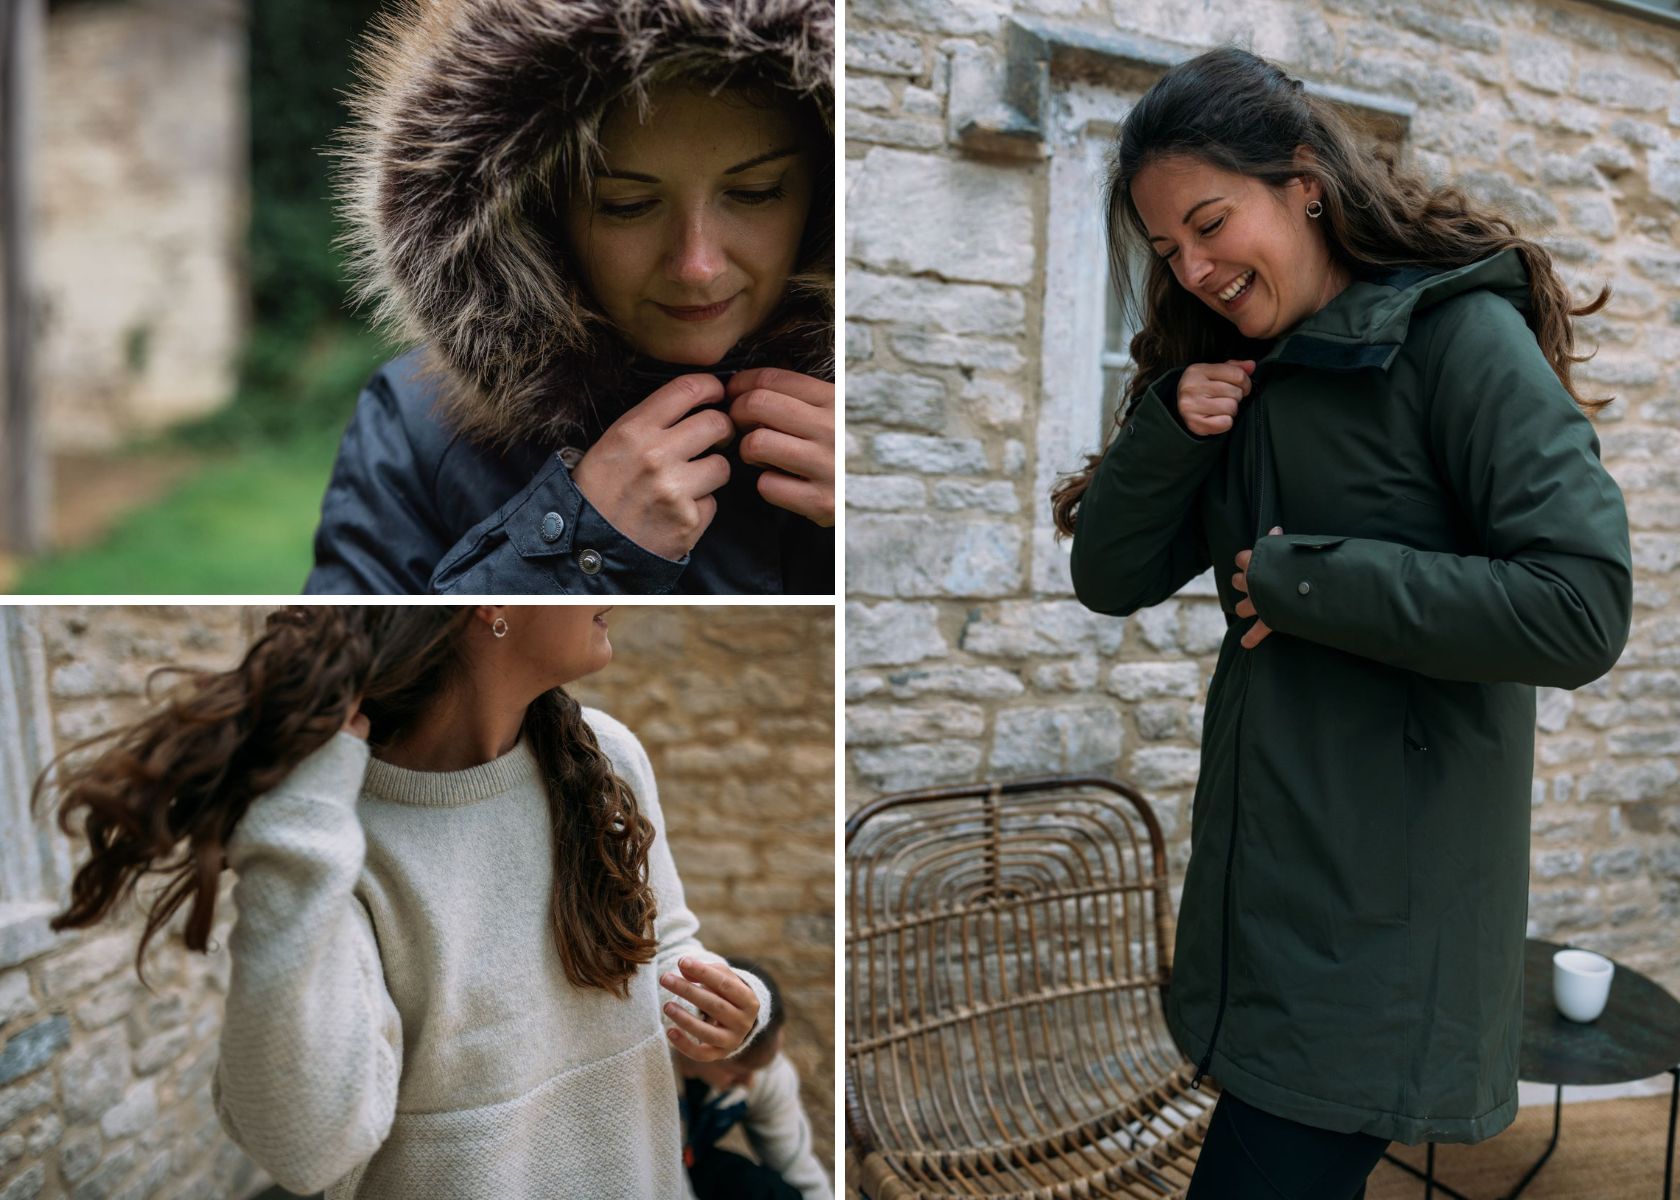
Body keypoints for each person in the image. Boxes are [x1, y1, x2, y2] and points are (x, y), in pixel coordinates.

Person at [1054, 48, 1633, 1199]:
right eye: (1170, 250)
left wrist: (1304, 580)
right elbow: (1109, 576)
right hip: (1265, 901)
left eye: (1212, 224)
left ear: (1304, 180)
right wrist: (1169, 430)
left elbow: (1583, 607)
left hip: (1385, 930)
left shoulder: (1460, 343)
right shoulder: (1237, 370)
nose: (1199, 268)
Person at [41, 606, 771, 1198]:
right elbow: (304, 1149)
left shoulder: (606, 757)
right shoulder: (331, 835)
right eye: (579, 576)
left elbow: (668, 943)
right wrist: (297, 827)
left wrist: (742, 1006)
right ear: (494, 604)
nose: (608, 589)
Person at [305, 0, 835, 595]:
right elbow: (370, 672)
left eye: (757, 192)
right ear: (534, 210)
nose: (696, 266)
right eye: (626, 206)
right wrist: (581, 545)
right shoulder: (414, 425)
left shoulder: (915, 384)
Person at [674, 957, 833, 1200]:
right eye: (738, 1073)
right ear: (697, 1040)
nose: (749, 1083)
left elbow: (795, 1166)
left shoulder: (768, 1074)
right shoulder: (652, 1072)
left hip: (694, 1161)